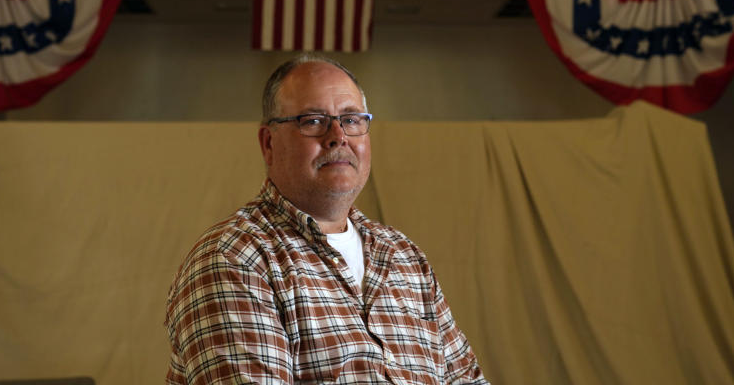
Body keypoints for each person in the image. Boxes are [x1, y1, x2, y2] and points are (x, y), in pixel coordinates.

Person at [164, 54, 490, 384]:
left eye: (351, 120)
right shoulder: (236, 259)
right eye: (313, 121)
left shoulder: (404, 257)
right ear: (269, 143)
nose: (338, 136)